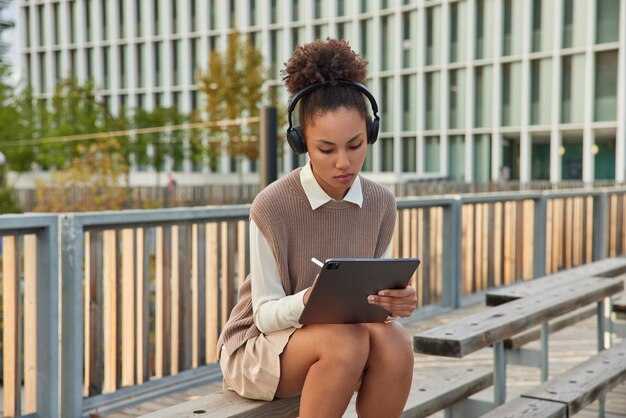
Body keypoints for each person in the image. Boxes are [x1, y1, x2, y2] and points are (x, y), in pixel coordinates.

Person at [216, 38, 417, 418]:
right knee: (346, 341)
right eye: (326, 149)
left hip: (344, 336)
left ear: (370, 135)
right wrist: (309, 300)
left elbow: (369, 303)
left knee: (395, 340)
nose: (344, 162)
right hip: (262, 346)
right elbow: (263, 315)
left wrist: (394, 303)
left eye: (356, 145)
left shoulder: (380, 203)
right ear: (301, 142)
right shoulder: (272, 205)